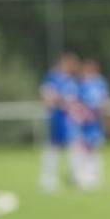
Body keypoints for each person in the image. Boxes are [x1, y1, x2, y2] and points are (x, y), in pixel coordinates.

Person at [72, 57, 110, 189]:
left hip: (96, 123)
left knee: (95, 148)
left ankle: (94, 177)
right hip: (82, 123)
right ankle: (79, 177)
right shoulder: (79, 83)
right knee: (80, 148)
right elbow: (74, 103)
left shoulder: (100, 82)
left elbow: (105, 102)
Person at [39, 52, 80, 191]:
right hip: (57, 118)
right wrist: (60, 101)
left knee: (72, 148)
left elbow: (72, 99)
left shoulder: (69, 80)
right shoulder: (53, 77)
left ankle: (73, 177)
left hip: (69, 119)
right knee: (53, 148)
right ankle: (48, 180)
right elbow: (48, 97)